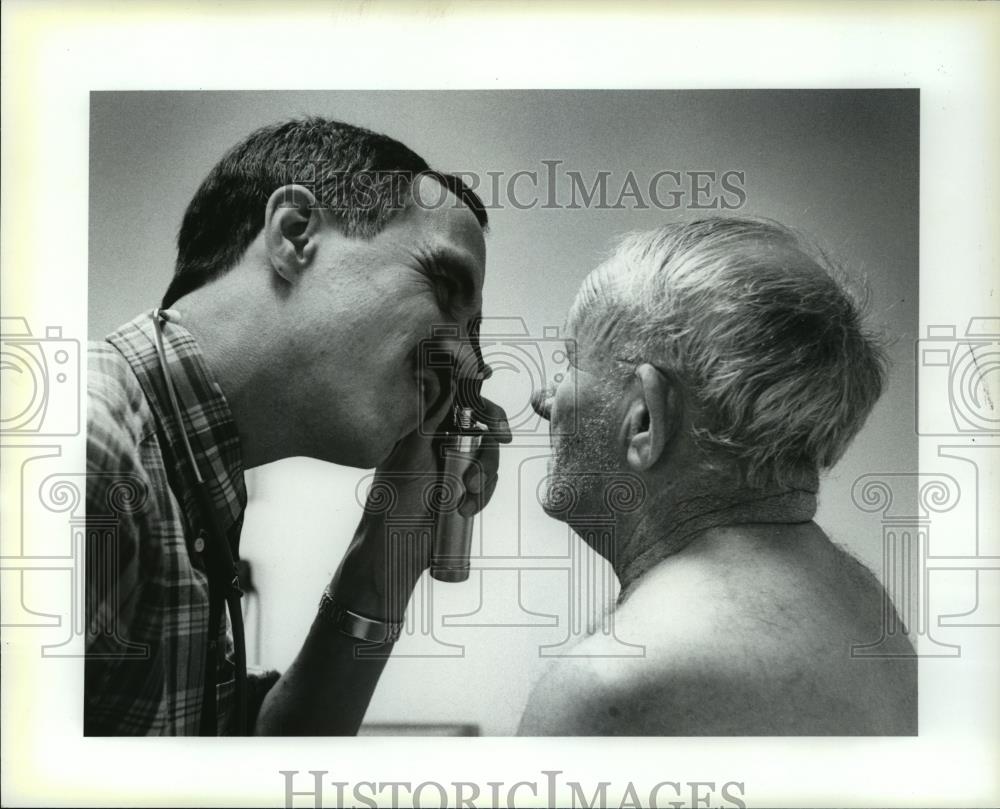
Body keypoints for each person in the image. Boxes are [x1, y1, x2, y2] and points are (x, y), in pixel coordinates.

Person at [85, 117, 510, 735]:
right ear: (294, 235)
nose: (472, 364)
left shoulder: (190, 480)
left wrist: (390, 545)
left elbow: (249, 756)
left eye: (473, 332)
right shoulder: (86, 447)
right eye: (445, 286)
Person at [519, 218, 916, 735]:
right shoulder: (862, 602)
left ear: (642, 420)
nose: (544, 400)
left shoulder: (611, 685)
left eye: (569, 365)